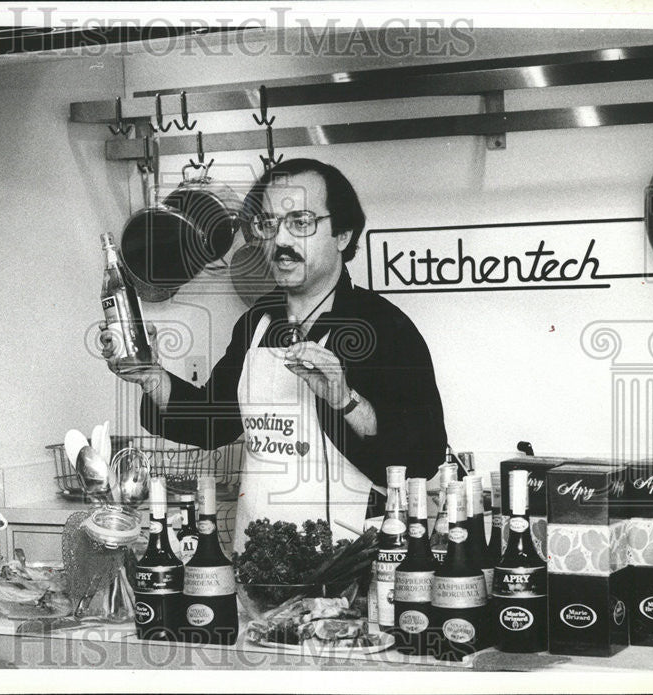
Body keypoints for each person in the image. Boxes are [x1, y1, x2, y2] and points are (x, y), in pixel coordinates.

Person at [101, 158, 447, 552]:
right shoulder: (256, 324)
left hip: (352, 567)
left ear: (343, 235)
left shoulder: (386, 327)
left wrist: (346, 400)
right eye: (268, 225)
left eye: (300, 223)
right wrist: (153, 377)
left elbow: (423, 456)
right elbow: (212, 424)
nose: (281, 240)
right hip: (258, 564)